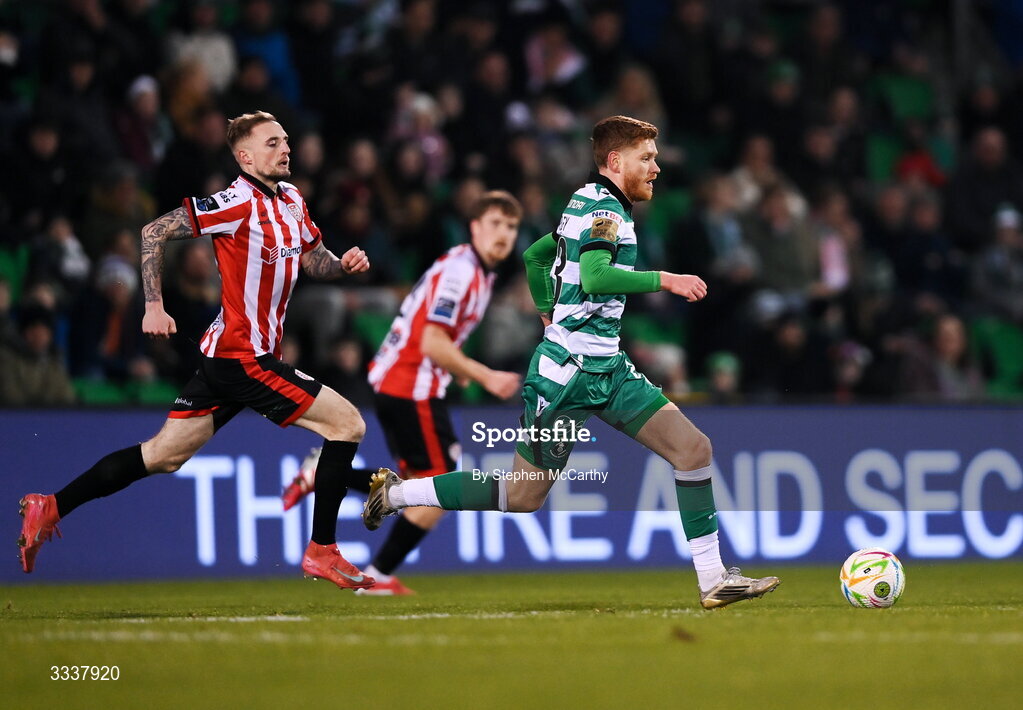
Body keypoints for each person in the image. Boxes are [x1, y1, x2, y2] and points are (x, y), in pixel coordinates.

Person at [362, 116, 780, 609]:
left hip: (607, 368)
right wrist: (665, 278)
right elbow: (598, 276)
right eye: (646, 158)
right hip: (566, 379)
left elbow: (537, 258)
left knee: (693, 450)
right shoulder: (604, 210)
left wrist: (547, 311)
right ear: (615, 161)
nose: (656, 167)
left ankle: (714, 579)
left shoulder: (582, 203)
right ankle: (395, 496)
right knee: (522, 497)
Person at [17, 111, 378, 592]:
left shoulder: (291, 200)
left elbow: (314, 260)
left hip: (231, 358)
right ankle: (322, 551)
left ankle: (50, 507)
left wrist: (342, 265)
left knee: (163, 456)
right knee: (348, 423)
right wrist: (152, 305)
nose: (286, 148)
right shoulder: (234, 202)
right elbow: (152, 232)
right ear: (244, 156)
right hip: (243, 358)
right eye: (272, 143)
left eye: (286, 140)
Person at [281, 191, 524, 594]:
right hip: (411, 384)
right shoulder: (462, 273)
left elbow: (437, 335)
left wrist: (456, 368)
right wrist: (484, 376)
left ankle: (320, 476)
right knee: (441, 485)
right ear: (475, 227)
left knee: (419, 484)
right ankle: (378, 574)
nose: (504, 234)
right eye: (496, 224)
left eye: (512, 227)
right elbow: (431, 342)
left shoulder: (477, 271)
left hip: (408, 381)